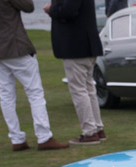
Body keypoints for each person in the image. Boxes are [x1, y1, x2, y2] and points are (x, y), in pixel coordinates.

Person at [0, 0, 69, 151]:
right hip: (16, 47)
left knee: (6, 95)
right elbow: (29, 6)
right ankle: (44, 136)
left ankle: (16, 138)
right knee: (34, 92)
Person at [45, 0, 105, 146]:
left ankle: (90, 132)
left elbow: (69, 11)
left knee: (79, 90)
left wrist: (51, 9)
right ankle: (97, 128)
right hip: (86, 43)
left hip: (75, 44)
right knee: (89, 88)